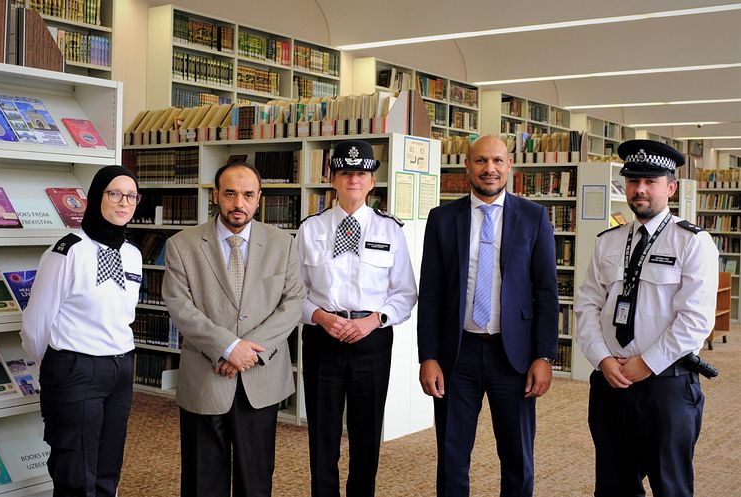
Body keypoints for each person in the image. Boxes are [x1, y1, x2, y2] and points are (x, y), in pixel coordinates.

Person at [574, 139, 719, 497]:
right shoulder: (608, 241)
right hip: (610, 384)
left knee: (670, 486)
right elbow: (587, 305)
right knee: (613, 486)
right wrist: (602, 359)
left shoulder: (692, 242)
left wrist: (647, 363)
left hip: (666, 386)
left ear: (670, 187)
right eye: (633, 181)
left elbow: (695, 320)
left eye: (650, 181)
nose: (640, 189)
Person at [417, 135, 559, 497]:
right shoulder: (442, 219)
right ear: (467, 166)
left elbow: (546, 292)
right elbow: (431, 293)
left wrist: (544, 356)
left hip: (513, 357)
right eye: (480, 161)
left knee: (517, 455)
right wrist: (428, 357)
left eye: (497, 160)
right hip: (456, 356)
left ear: (509, 166)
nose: (489, 169)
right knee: (452, 455)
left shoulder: (533, 217)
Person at [161, 161, 305, 497]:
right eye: (230, 194)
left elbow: (294, 302)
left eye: (247, 195)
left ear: (259, 199)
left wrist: (247, 349)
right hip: (206, 376)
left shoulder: (282, 243)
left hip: (260, 378)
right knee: (202, 480)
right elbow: (180, 307)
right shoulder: (183, 245)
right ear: (216, 196)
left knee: (255, 480)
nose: (238, 203)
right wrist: (227, 347)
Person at [296, 140, 417, 497]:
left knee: (366, 435)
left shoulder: (389, 230)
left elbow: (405, 293)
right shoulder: (310, 229)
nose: (353, 180)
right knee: (323, 433)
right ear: (332, 178)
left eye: (361, 173)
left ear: (371, 182)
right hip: (322, 338)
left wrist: (373, 320)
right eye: (346, 173)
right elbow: (293, 292)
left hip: (372, 340)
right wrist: (319, 315)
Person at [21, 165, 142, 497]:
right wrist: (61, 366)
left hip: (119, 369)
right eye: (114, 193)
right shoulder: (68, 250)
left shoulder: (133, 255)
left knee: (107, 467)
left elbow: (123, 316)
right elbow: (35, 325)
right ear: (95, 197)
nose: (124, 202)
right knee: (75, 472)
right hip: (76, 368)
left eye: (131, 196)